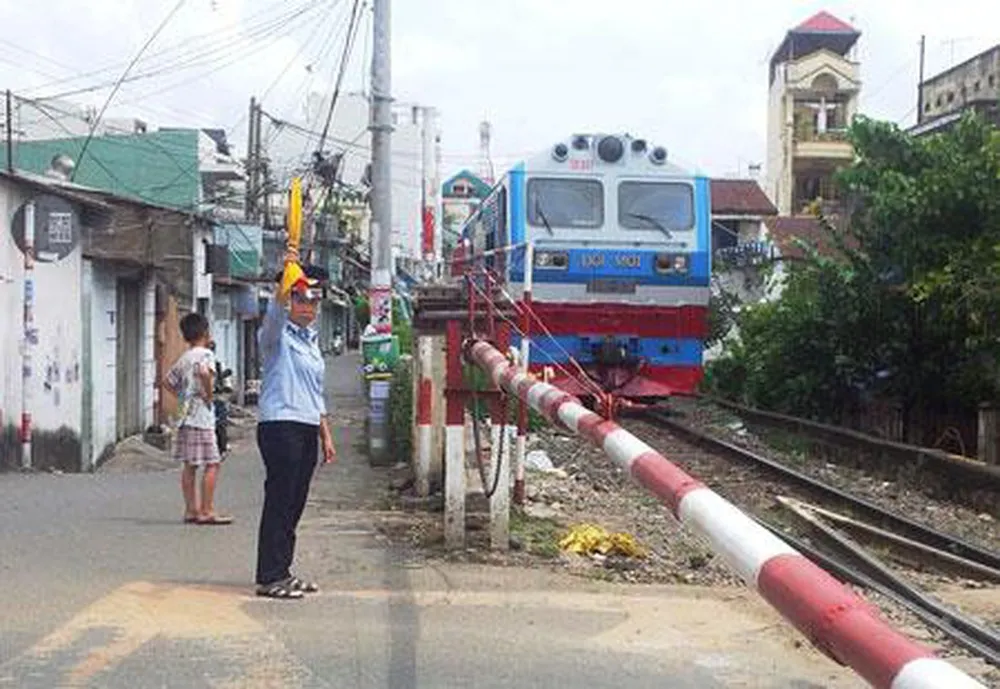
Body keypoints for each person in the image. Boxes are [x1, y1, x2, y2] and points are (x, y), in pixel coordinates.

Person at [255, 249, 337, 599]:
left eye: (312, 302)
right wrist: (285, 271)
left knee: (295, 502)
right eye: (300, 299)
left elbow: (315, 392)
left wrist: (326, 434)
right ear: (289, 301)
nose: (307, 307)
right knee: (279, 498)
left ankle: (283, 570)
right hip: (280, 424)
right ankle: (269, 575)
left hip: (305, 426)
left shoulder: (312, 342)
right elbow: (273, 315)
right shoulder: (276, 339)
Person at [165, 313, 233, 526]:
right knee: (213, 463)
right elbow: (205, 373)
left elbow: (168, 382)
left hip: (185, 416)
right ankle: (207, 510)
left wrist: (184, 396)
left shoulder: (185, 357)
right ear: (205, 332)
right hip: (202, 417)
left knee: (190, 465)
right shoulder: (205, 355)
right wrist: (208, 395)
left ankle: (190, 510)